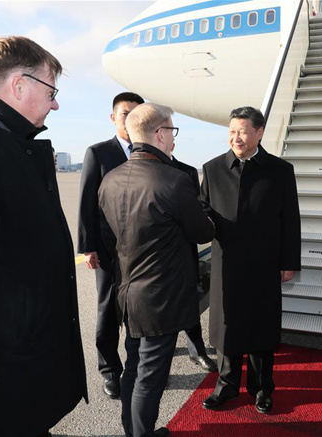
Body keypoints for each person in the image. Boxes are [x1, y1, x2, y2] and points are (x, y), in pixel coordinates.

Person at [0, 36, 87, 436]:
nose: (55, 104)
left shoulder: (10, 146)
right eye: (51, 91)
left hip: (21, 361)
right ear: (19, 86)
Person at [99, 103, 215, 437]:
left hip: (127, 293)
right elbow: (203, 233)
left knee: (134, 370)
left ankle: (133, 430)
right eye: (172, 133)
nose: (174, 142)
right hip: (161, 299)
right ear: (160, 134)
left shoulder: (111, 179)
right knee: (149, 378)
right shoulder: (173, 180)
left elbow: (109, 239)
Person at [200, 106, 301, 414]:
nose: (236, 137)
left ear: (259, 132)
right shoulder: (213, 168)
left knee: (261, 327)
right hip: (226, 263)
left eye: (243, 131)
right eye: (232, 131)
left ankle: (261, 388)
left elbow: (290, 220)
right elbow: (203, 210)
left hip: (264, 263)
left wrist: (288, 262)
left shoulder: (279, 170)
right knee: (228, 326)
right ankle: (227, 386)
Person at [78, 91, 144, 398]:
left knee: (137, 311)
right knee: (107, 312)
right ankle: (109, 370)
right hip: (106, 250)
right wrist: (87, 246)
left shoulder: (149, 153)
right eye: (124, 114)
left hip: (142, 252)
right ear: (113, 117)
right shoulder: (98, 153)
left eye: (135, 114)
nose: (129, 120)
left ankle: (136, 367)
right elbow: (86, 203)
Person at [170, 142, 218, 373]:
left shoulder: (187, 171)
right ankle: (161, 355)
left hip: (185, 248)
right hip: (156, 254)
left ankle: (197, 351)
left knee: (190, 302)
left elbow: (198, 209)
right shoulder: (141, 170)